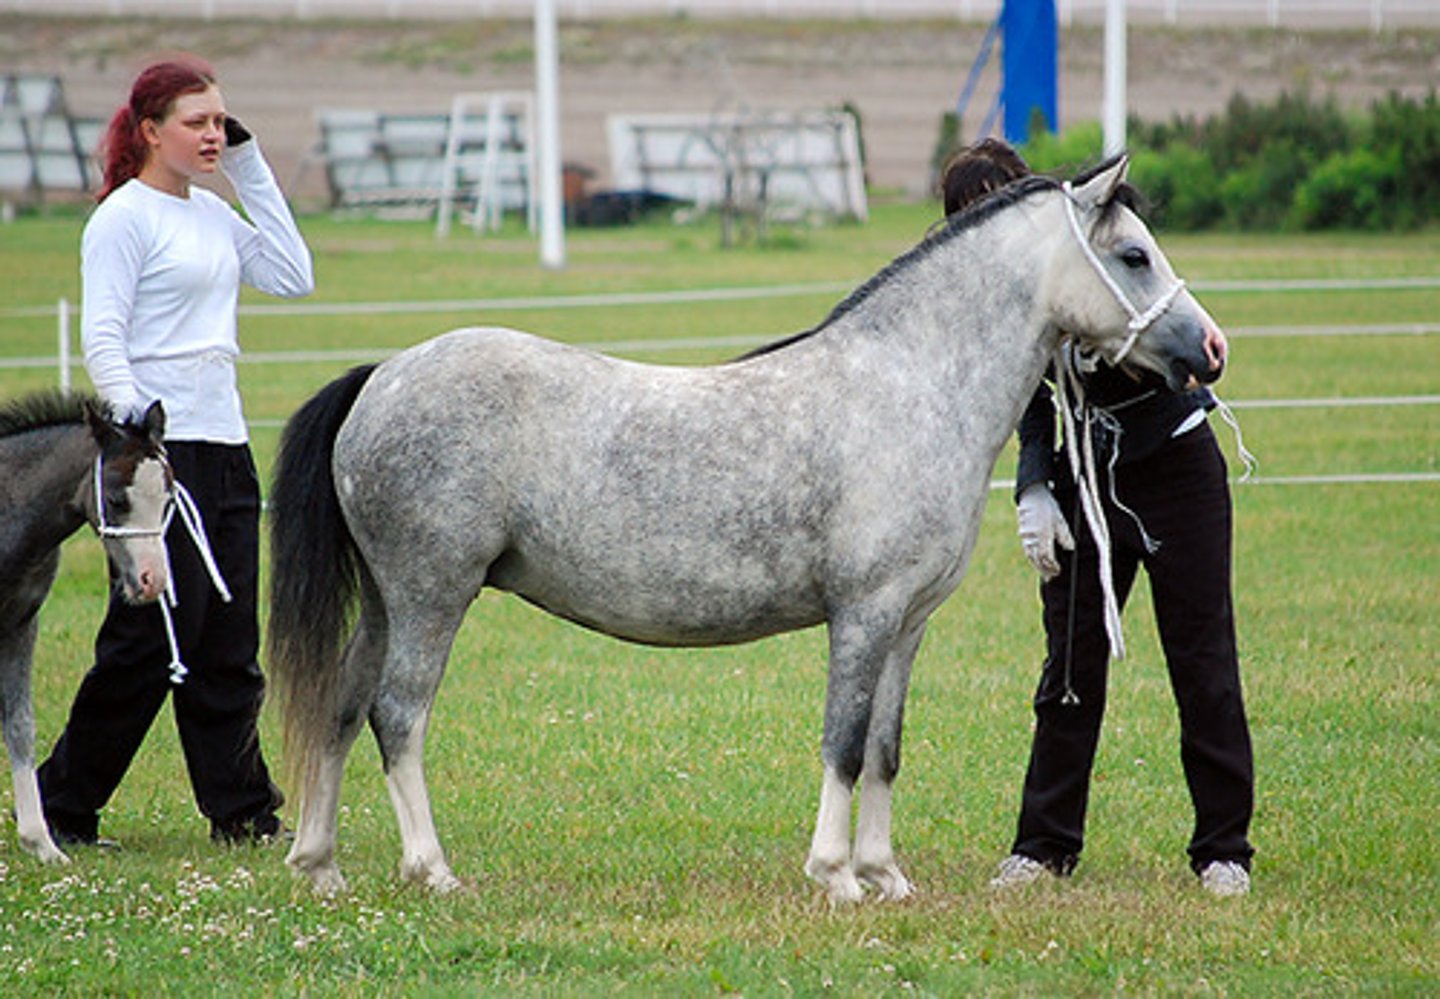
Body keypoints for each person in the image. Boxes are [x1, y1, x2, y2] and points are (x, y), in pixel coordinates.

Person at [938, 139, 1255, 896]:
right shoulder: (1002, 295)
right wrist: (1034, 489)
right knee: (1070, 672)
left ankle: (1224, 851)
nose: (988, 221)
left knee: (1203, 663)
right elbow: (1034, 399)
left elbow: (1156, 312)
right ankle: (1044, 846)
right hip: (1085, 479)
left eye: (997, 202)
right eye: (968, 214)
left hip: (1175, 468)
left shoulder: (1087, 249)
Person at [39, 56, 313, 847]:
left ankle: (243, 812)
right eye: (197, 122)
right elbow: (104, 337)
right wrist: (138, 444)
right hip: (157, 456)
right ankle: (64, 806)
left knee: (228, 638)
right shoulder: (123, 218)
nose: (213, 135)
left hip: (225, 444)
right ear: (151, 130)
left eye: (221, 122)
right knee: (146, 641)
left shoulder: (212, 213)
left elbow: (294, 276)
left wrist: (252, 169)